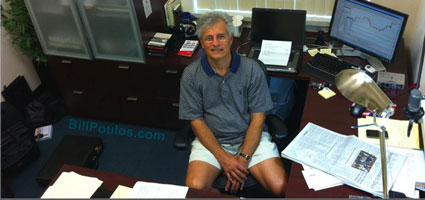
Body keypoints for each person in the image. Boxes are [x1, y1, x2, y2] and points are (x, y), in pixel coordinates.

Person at [178, 11, 288, 196]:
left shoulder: (251, 69)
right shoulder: (191, 75)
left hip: (251, 138)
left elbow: (258, 119)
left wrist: (242, 160)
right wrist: (224, 159)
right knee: (195, 190)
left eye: (221, 36)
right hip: (212, 141)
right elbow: (196, 121)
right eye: (209, 38)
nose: (215, 43)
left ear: (230, 39)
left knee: (281, 186)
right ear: (202, 43)